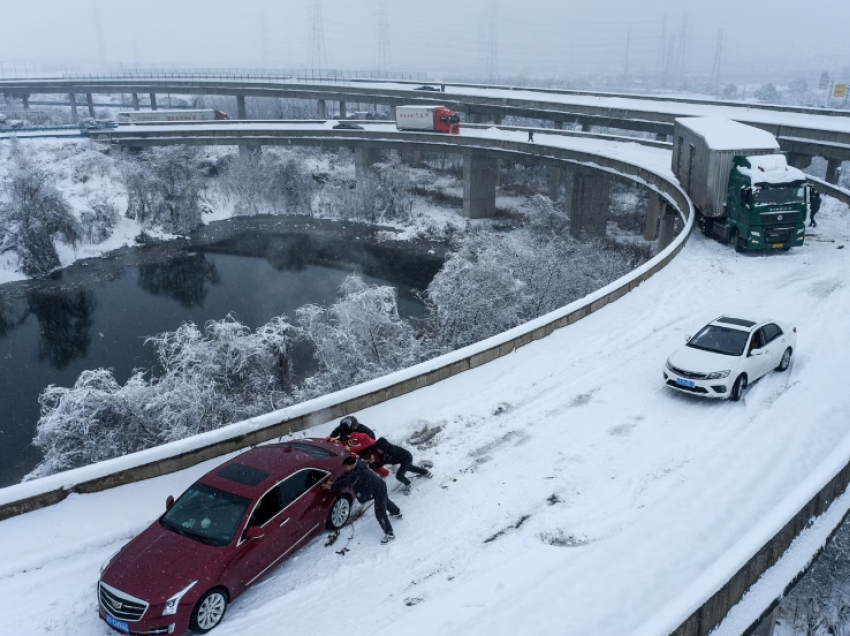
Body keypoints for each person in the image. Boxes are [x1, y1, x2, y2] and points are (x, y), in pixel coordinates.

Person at [324, 456, 401, 544]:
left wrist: (332, 486)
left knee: (380, 513)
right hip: (377, 487)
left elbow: (347, 481)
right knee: (385, 501)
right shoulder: (357, 466)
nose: (346, 468)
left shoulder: (358, 472)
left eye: (346, 466)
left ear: (352, 464)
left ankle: (390, 533)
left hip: (378, 489)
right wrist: (334, 480)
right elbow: (346, 474)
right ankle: (397, 512)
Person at [357, 437, 432, 495]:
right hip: (403, 457)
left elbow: (381, 463)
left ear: (384, 448)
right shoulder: (381, 447)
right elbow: (371, 448)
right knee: (410, 468)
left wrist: (371, 465)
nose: (377, 450)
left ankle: (408, 484)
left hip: (406, 458)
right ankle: (425, 472)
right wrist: (360, 454)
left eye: (379, 449)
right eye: (377, 448)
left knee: (399, 475)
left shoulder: (389, 453)